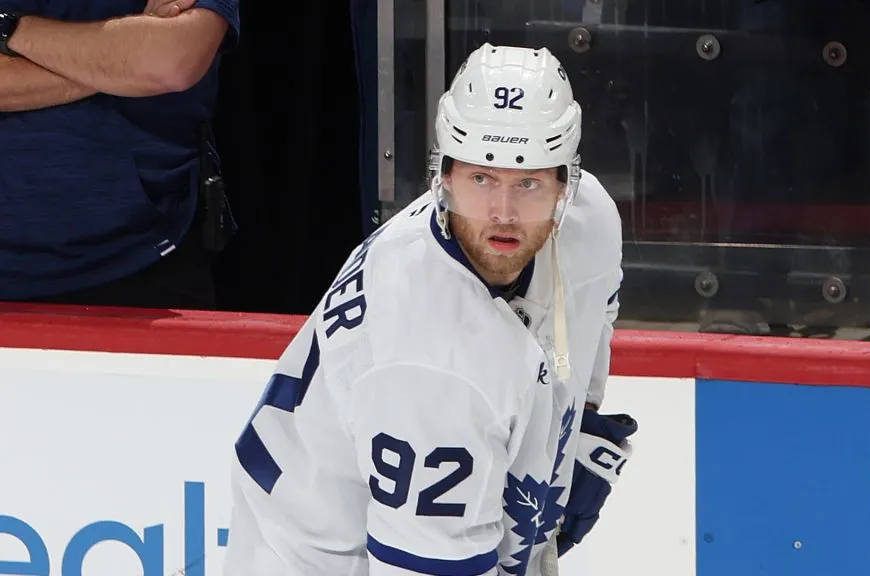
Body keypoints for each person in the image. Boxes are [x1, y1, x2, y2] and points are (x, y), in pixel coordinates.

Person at [223, 43, 638, 575]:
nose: (503, 212)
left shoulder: (591, 222)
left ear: (566, 185)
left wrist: (572, 428)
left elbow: (589, 323)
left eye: (528, 182)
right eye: (481, 178)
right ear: (442, 177)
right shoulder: (426, 357)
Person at [0, 0, 239, 309]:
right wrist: (121, 63)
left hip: (140, 257)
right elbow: (150, 63)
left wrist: (12, 29)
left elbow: (170, 61)